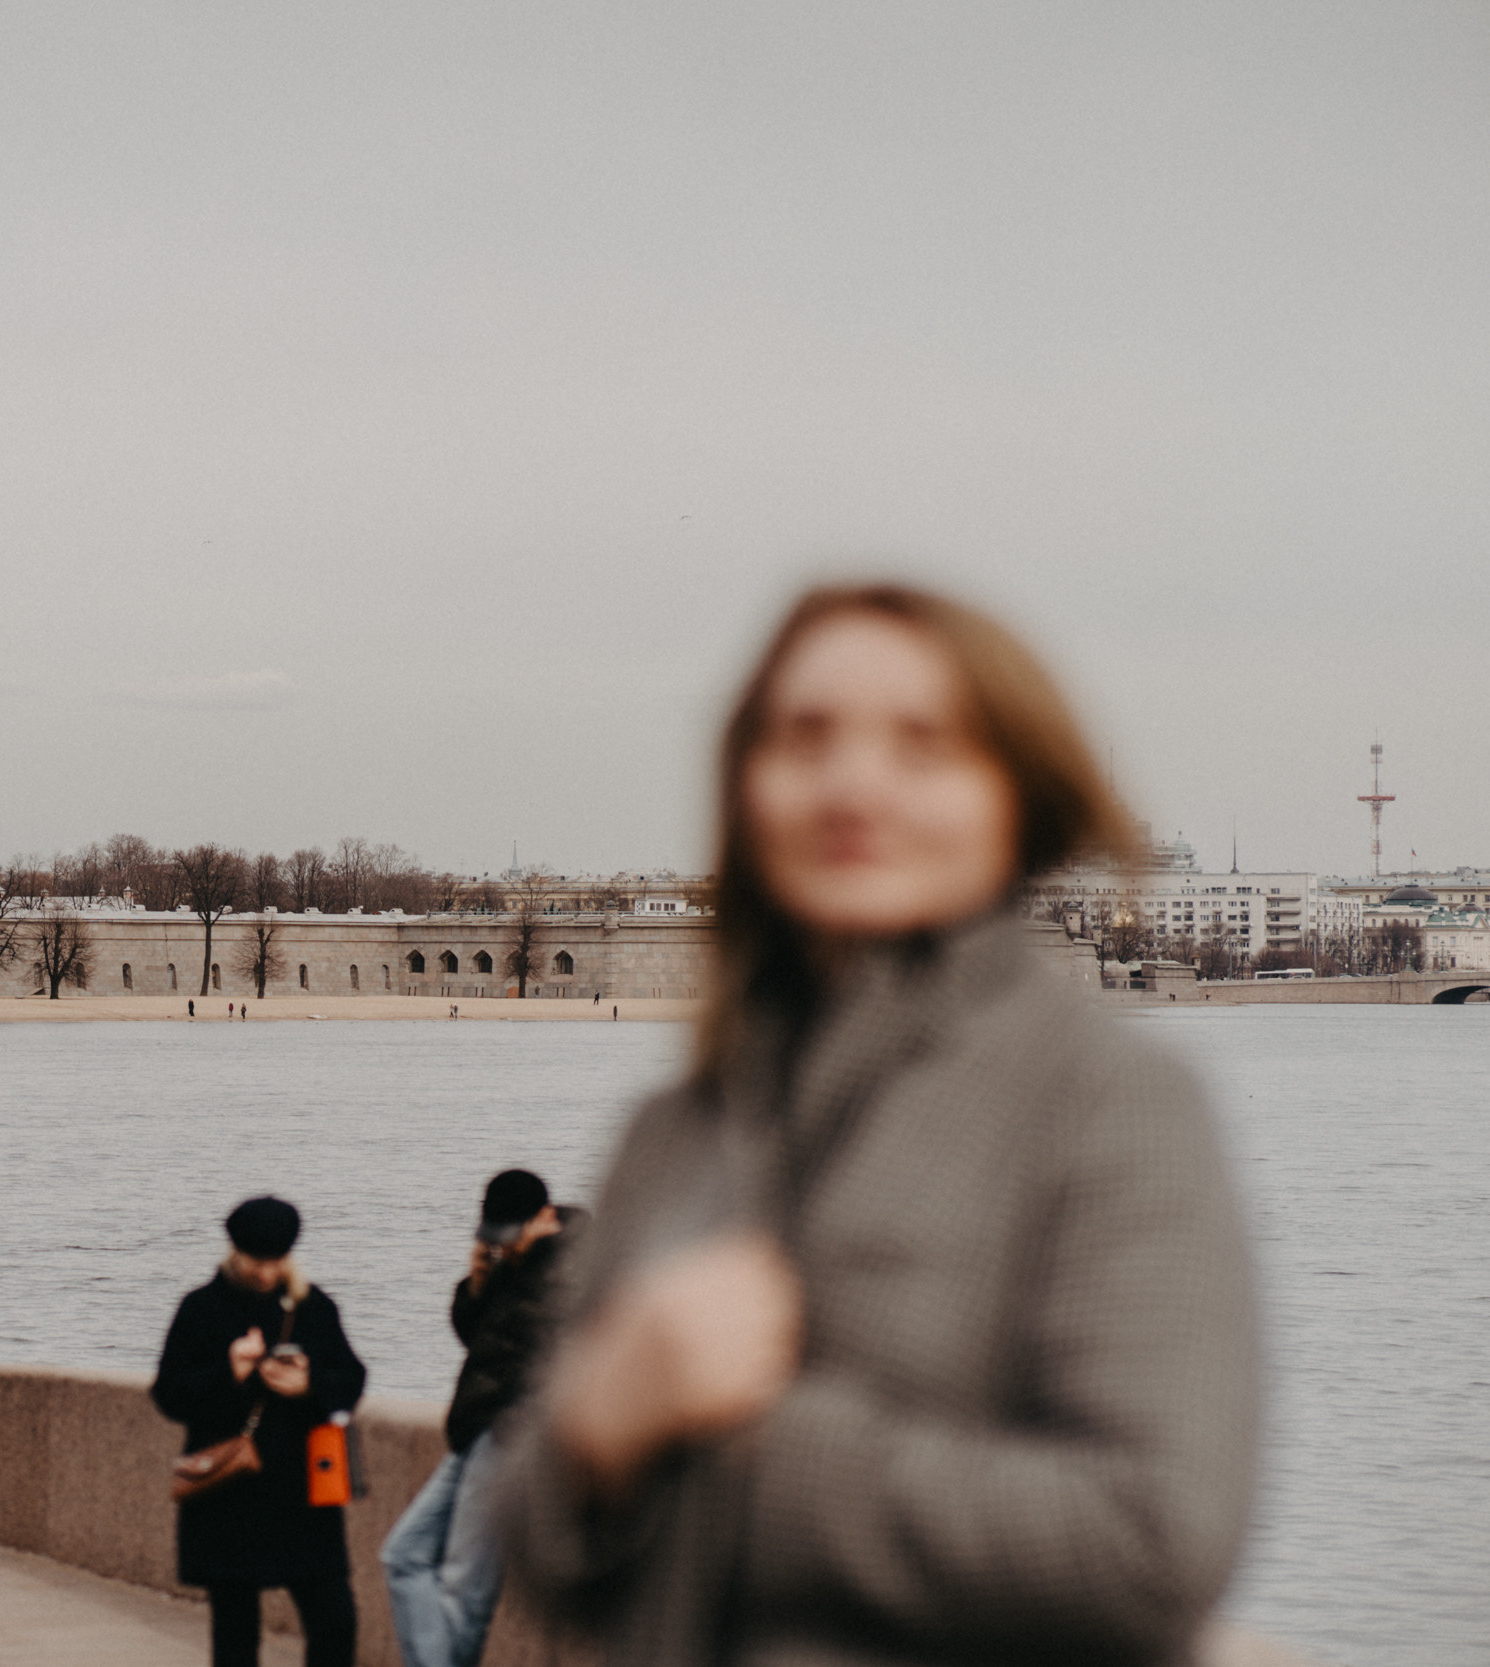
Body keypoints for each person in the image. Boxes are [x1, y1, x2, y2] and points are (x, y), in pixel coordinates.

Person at [503, 584, 1259, 1665]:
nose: (853, 784)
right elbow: (542, 1559)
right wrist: (599, 1420)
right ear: (744, 785)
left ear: (1019, 796)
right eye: (804, 737)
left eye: (923, 744)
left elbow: (1156, 1541)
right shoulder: (675, 1124)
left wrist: (752, 1443)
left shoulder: (1112, 1103)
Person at [151, 1196, 367, 1667]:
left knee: (335, 1618)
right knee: (235, 1631)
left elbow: (350, 1379)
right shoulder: (201, 1308)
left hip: (301, 1490)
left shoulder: (313, 1307)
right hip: (230, 1491)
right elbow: (168, 1393)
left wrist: (309, 1385)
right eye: (256, 1263)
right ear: (235, 1252)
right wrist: (228, 1371)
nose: (267, 1274)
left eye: (275, 1263)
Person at [382, 1169, 575, 1667]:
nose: (501, 1245)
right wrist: (480, 1280)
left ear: (546, 1217)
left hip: (513, 1431)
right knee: (403, 1556)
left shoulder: (572, 1268)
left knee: (465, 1585)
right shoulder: (518, 1262)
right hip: (478, 1429)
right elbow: (476, 1337)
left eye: (510, 1235)